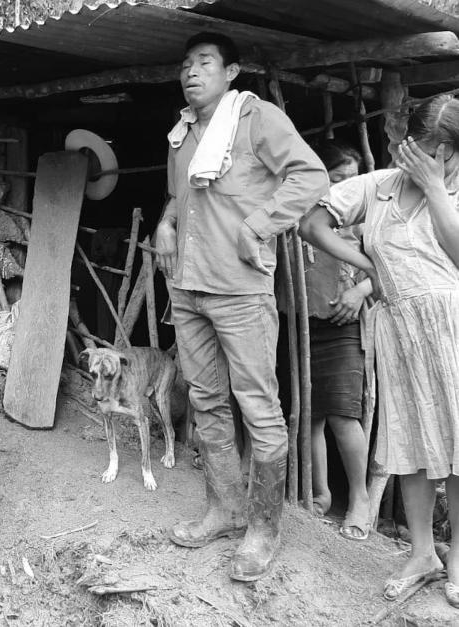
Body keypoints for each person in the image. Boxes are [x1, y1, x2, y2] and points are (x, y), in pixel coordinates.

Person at [155, 32, 329, 581]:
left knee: (258, 405)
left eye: (204, 62)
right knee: (206, 399)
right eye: (186, 64)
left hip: (241, 289)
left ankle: (263, 528)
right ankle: (225, 508)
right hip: (188, 285)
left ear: (231, 72)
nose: (191, 72)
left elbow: (311, 175)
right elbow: (179, 198)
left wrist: (259, 225)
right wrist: (165, 223)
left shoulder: (256, 118)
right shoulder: (182, 132)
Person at [300, 96, 459, 605]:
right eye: (415, 149)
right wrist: (368, 266)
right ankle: (422, 553)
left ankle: (458, 557)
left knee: (458, 446)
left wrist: (435, 188)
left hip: (453, 326)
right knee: (410, 444)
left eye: (434, 153)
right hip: (399, 329)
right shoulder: (378, 187)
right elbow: (311, 224)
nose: (421, 161)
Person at [282, 141, 372, 540]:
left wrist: (359, 292)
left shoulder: (365, 216)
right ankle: (320, 494)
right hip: (300, 321)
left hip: (342, 322)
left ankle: (360, 500)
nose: (346, 187)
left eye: (353, 179)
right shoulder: (297, 208)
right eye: (338, 179)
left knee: (342, 413)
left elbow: (387, 266)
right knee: (311, 414)